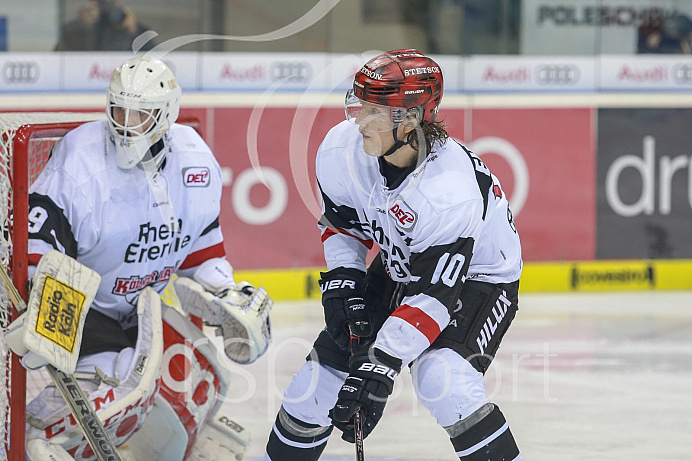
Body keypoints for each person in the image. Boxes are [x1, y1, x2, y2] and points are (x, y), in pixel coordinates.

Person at [265, 49, 523, 460]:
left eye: (374, 112)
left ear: (411, 118)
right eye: (359, 105)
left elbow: (433, 299)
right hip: (403, 261)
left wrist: (379, 365)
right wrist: (343, 282)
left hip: (480, 277)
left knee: (444, 381)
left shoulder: (447, 192)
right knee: (315, 385)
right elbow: (342, 227)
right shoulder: (341, 150)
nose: (358, 121)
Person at [21, 55, 271, 460]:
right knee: (116, 386)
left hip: (144, 312)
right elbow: (41, 244)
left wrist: (226, 291)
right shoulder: (81, 157)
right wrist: (45, 311)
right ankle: (37, 437)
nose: (125, 122)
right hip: (86, 310)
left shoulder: (194, 160)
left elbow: (201, 247)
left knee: (188, 397)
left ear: (166, 115)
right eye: (118, 108)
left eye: (140, 113)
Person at [54, 0, 156, 51]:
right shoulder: (78, 27)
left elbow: (153, 57)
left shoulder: (128, 26)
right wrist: (82, 26)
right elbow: (60, 50)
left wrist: (135, 30)